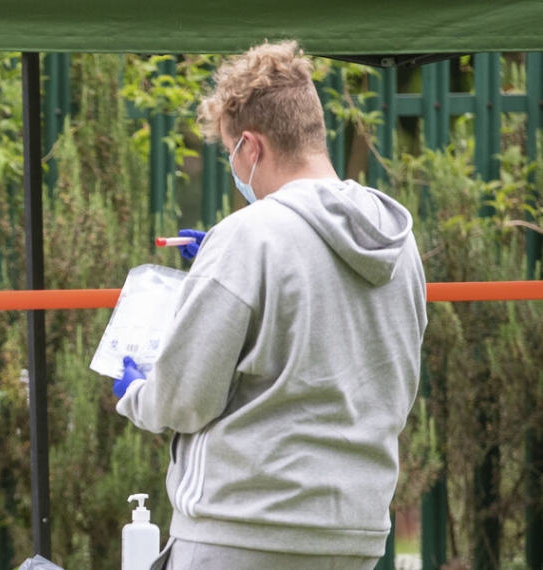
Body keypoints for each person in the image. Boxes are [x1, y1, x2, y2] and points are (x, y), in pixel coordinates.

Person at [112, 41, 427, 570]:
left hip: (244, 530)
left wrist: (138, 393)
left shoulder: (247, 237)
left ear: (250, 147)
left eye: (230, 150)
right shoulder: (398, 241)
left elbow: (185, 400)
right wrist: (230, 256)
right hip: (356, 533)